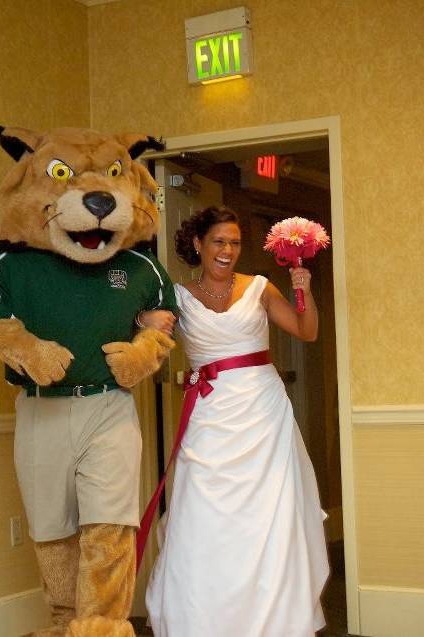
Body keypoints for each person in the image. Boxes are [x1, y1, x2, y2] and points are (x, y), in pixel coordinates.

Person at [140, 206, 330, 636]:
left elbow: (307, 331)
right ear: (198, 245)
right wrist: (141, 321)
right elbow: (150, 341)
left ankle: (276, 620)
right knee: (203, 517)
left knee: (268, 516)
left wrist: (306, 290)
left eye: (235, 243)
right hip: (210, 414)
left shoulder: (260, 288)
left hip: (262, 413)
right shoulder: (178, 296)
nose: (228, 251)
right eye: (219, 242)